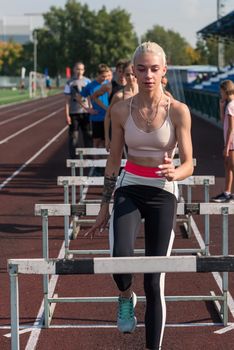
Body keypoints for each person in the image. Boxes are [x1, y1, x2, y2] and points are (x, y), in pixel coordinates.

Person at [86, 41, 194, 350]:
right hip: (129, 185)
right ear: (133, 71)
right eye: (142, 69)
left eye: (154, 69)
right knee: (120, 259)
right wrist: (103, 205)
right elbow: (113, 159)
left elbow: (187, 162)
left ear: (164, 71)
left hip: (162, 191)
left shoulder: (178, 111)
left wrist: (177, 173)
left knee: (154, 280)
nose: (148, 75)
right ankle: (124, 296)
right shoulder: (121, 109)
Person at [104, 60, 138, 151]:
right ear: (123, 75)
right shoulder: (119, 96)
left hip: (144, 136)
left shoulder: (146, 92)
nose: (131, 77)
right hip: (126, 137)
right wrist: (107, 139)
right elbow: (108, 116)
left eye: (133, 74)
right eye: (128, 75)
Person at [211, 80, 234, 202]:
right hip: (230, 142)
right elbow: (223, 121)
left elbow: (231, 127)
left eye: (221, 91)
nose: (220, 94)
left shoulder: (231, 106)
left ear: (225, 90)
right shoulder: (229, 105)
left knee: (232, 166)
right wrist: (221, 107)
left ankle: (229, 194)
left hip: (232, 143)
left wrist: (227, 146)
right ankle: (227, 192)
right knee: (228, 166)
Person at [78, 63, 110, 151]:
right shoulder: (90, 86)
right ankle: (95, 164)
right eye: (103, 76)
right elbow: (78, 97)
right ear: (98, 74)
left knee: (106, 142)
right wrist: (88, 109)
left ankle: (105, 164)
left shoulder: (109, 84)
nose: (105, 78)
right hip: (97, 117)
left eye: (107, 76)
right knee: (96, 142)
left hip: (108, 117)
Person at [64, 62, 91, 158]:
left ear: (84, 70)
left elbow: (90, 98)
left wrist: (90, 109)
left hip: (86, 113)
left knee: (88, 135)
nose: (79, 71)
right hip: (74, 113)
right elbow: (67, 100)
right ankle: (73, 157)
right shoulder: (69, 82)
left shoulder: (88, 82)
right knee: (73, 137)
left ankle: (89, 156)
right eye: (77, 69)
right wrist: (67, 115)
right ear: (74, 69)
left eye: (81, 69)